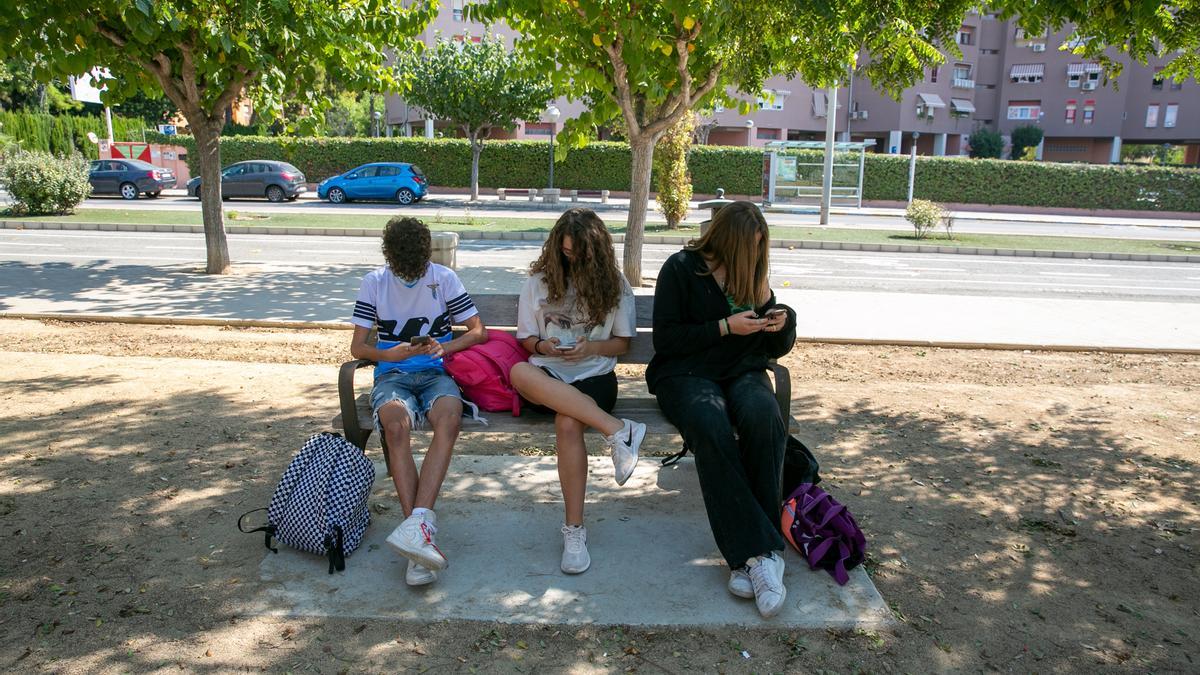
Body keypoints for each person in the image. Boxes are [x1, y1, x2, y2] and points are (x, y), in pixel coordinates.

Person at [646, 201, 797, 618]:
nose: (754, 254)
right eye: (749, 246)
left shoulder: (753, 273)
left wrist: (781, 321)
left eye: (759, 247)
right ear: (727, 241)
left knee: (763, 415)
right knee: (710, 426)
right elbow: (668, 340)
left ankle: (752, 557)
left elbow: (775, 348)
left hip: (742, 372)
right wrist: (725, 327)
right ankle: (761, 556)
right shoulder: (680, 268)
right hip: (685, 374)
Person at [349, 216, 487, 587]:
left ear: (427, 254)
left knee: (450, 418)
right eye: (403, 262)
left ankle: (416, 531)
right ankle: (419, 540)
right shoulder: (375, 282)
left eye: (418, 262)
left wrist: (446, 346)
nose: (411, 270)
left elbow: (478, 331)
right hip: (391, 375)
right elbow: (358, 347)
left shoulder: (442, 277)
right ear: (390, 256)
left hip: (436, 373)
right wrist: (392, 355)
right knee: (395, 425)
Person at [510, 208, 645, 574]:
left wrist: (590, 348)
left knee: (568, 422)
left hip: (595, 377)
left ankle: (574, 531)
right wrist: (543, 348)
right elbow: (525, 339)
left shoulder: (614, 283)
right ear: (556, 247)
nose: (571, 260)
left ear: (595, 251)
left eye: (579, 255)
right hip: (547, 374)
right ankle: (618, 431)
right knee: (520, 371)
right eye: (566, 253)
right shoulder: (537, 282)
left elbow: (620, 344)